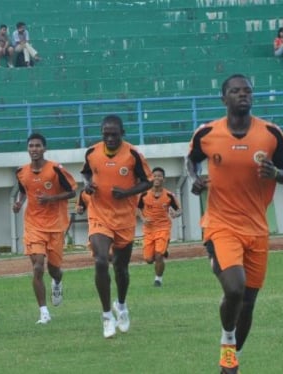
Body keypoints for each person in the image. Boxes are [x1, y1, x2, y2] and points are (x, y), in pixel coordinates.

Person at [186, 74, 283, 373]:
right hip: (220, 223)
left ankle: (230, 357)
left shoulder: (270, 134)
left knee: (248, 302)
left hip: (257, 228)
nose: (242, 95)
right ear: (224, 98)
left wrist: (275, 173)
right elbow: (192, 160)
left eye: (247, 90)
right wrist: (196, 180)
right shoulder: (207, 133)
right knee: (234, 289)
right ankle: (227, 340)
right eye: (235, 91)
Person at [81, 114, 153, 339]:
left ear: (122, 133)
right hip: (99, 214)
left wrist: (127, 193)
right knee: (101, 260)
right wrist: (88, 186)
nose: (110, 138)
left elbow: (148, 181)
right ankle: (106, 316)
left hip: (124, 219)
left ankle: (120, 305)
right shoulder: (92, 152)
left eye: (114, 134)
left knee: (121, 268)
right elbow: (86, 173)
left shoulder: (132, 155)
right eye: (106, 134)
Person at [12, 133, 77, 324]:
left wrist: (51, 198)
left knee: (54, 269)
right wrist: (18, 203)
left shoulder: (55, 170)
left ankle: (57, 282)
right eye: (31, 146)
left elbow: (72, 191)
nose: (34, 149)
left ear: (45, 148)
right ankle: (43, 312)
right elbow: (24, 190)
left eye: (38, 146)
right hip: (33, 225)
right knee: (38, 267)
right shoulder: (21, 172)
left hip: (55, 225)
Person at [136, 167, 181, 287]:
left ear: (164, 179)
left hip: (163, 227)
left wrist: (175, 214)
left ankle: (158, 279)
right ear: (151, 178)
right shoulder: (144, 195)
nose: (157, 178)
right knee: (149, 259)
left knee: (159, 255)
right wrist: (143, 218)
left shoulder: (169, 195)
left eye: (159, 176)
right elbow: (137, 208)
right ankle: (163, 250)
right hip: (149, 230)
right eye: (154, 176)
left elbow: (179, 210)